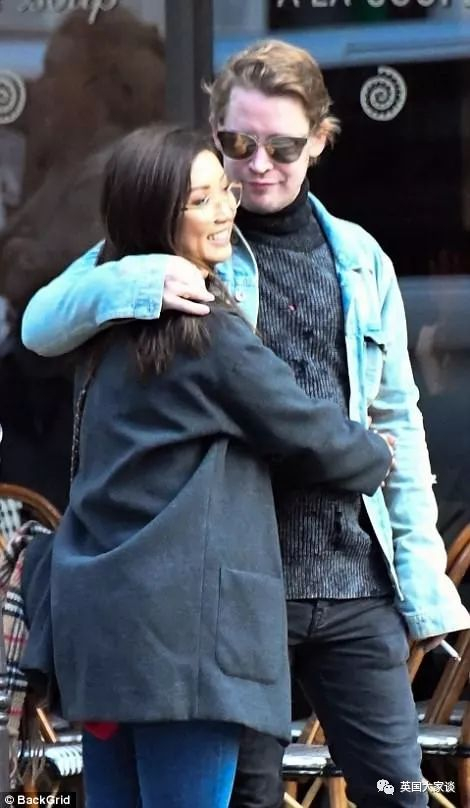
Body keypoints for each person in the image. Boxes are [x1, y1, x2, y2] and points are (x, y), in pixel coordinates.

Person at [21, 40, 469, 808]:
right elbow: (40, 321)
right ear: (214, 135)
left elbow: (398, 415)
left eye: (283, 147)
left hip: (353, 582)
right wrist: (135, 275)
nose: (257, 166)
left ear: (320, 140)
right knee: (246, 799)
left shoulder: (358, 257)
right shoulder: (183, 247)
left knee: (397, 791)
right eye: (238, 143)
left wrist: (422, 586)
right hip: (238, 595)